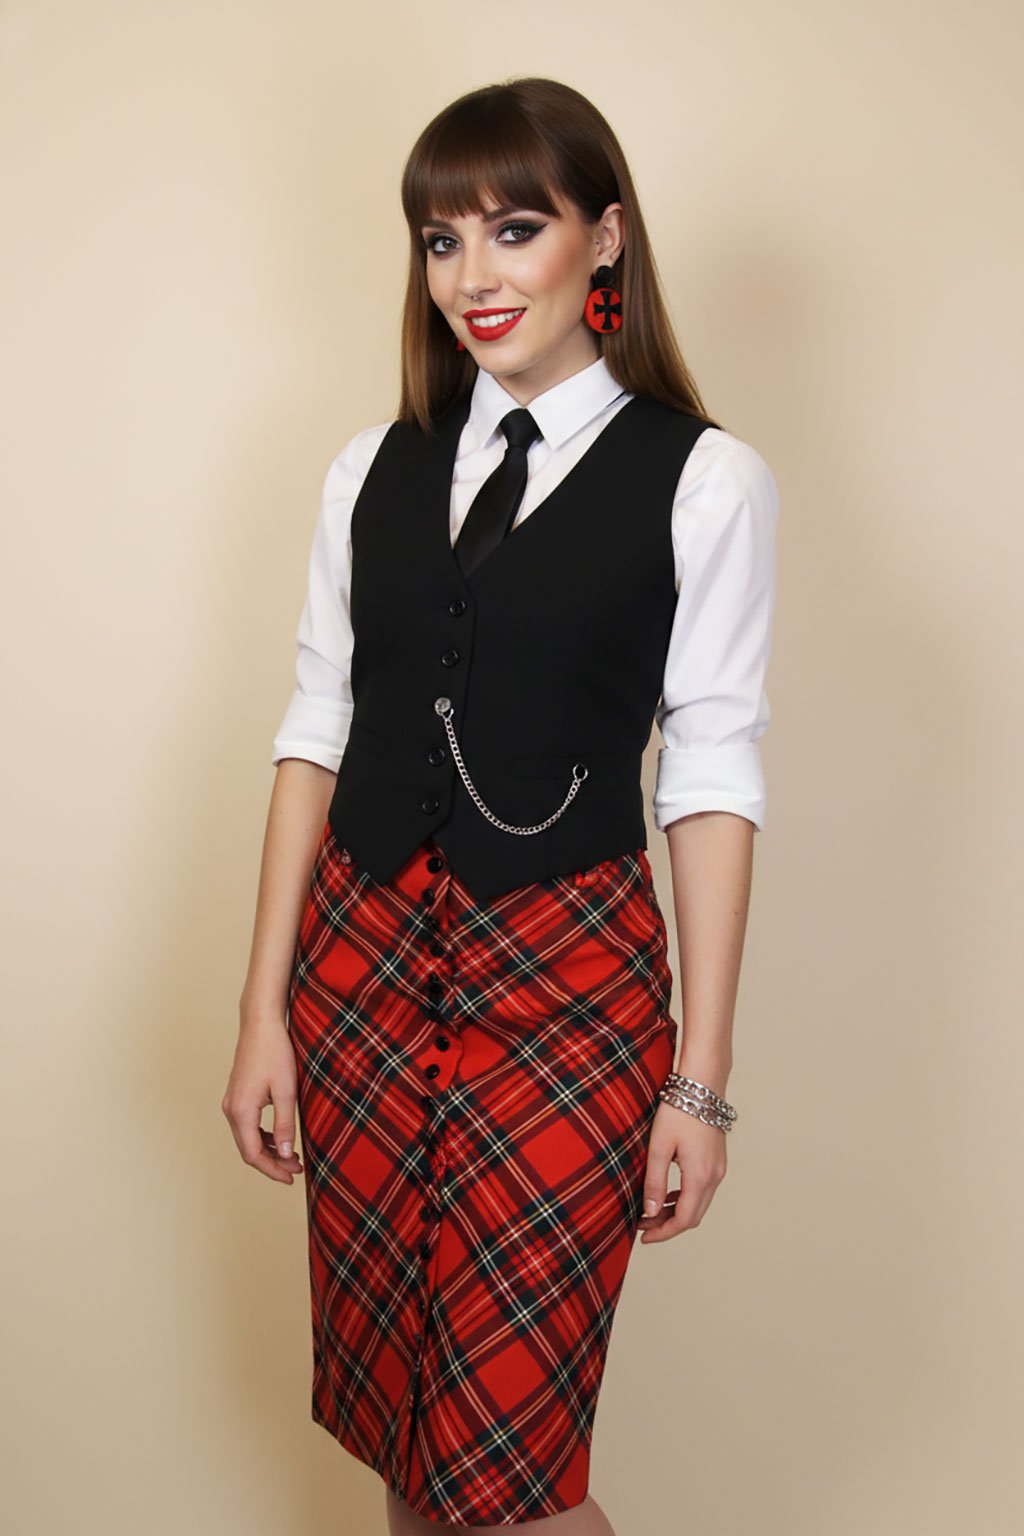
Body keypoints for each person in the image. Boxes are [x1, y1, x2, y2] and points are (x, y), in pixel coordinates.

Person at [223, 75, 778, 1536]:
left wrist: (699, 1081)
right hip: (357, 984)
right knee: (411, 1451)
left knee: (511, 1482)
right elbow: (316, 732)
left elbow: (712, 776)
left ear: (605, 240)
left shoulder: (706, 482)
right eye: (441, 239)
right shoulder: (369, 470)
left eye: (514, 229)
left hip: (566, 997)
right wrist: (263, 1011)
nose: (473, 273)